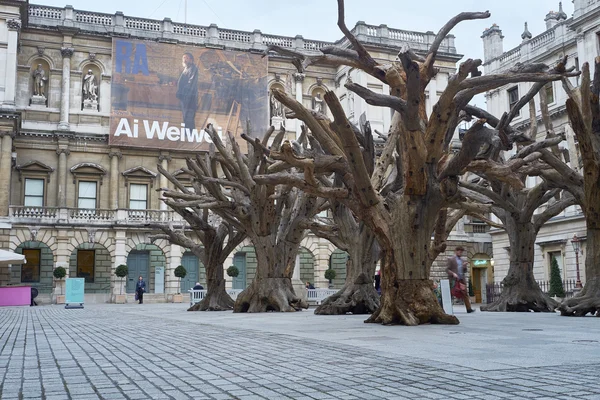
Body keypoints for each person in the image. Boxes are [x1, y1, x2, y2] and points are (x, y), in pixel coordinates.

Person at [447, 246, 475, 313]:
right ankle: (447, 308)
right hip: (454, 280)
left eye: (461, 251)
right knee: (451, 293)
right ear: (456, 251)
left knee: (465, 294)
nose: (460, 252)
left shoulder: (462, 260)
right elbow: (447, 269)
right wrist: (453, 273)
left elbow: (464, 271)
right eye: (459, 251)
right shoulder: (451, 259)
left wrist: (465, 267)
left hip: (461, 280)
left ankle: (469, 309)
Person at [176, 52, 199, 132]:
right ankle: (187, 133)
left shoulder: (193, 69)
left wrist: (184, 93)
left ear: (191, 60)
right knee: (185, 116)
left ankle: (190, 133)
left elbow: (191, 83)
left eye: (187, 58)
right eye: (184, 58)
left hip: (189, 97)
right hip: (184, 96)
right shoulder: (186, 68)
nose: (185, 60)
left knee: (189, 116)